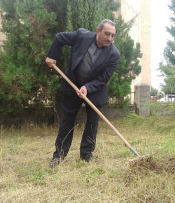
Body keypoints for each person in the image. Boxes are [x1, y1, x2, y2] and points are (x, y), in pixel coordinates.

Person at [45, 19, 121, 168]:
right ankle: (59, 156)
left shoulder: (114, 54)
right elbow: (59, 37)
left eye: (113, 35)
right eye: (107, 34)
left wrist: (88, 87)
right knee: (67, 121)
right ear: (98, 31)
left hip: (95, 90)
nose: (110, 39)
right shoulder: (82, 36)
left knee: (92, 123)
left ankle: (86, 155)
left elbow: (104, 78)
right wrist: (52, 55)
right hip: (72, 84)